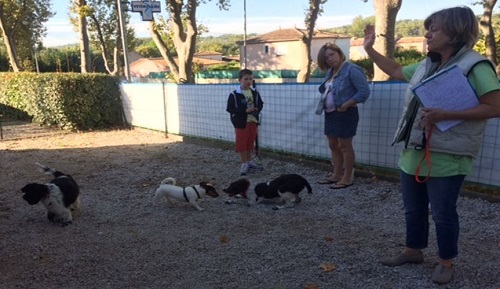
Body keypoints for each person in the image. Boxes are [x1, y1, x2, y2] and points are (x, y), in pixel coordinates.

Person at [363, 6, 500, 284]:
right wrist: (369, 50)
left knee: (443, 213)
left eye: (434, 29)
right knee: (413, 209)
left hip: (449, 155)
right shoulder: (427, 64)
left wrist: (449, 114)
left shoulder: (476, 65)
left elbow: (495, 106)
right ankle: (413, 250)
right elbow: (397, 69)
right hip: (413, 151)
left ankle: (446, 262)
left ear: (455, 31)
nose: (427, 34)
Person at [316, 43, 370, 189]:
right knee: (333, 145)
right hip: (330, 113)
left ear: (339, 53)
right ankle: (336, 174)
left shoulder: (352, 70)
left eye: (332, 54)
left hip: (345, 113)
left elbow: (364, 91)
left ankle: (347, 177)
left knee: (344, 146)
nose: (330, 59)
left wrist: (346, 104)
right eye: (326, 57)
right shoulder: (331, 72)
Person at [226, 69, 264, 175]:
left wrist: (256, 110)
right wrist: (245, 110)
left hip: (253, 121)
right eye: (246, 79)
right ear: (240, 80)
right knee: (242, 144)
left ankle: (249, 161)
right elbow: (230, 108)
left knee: (250, 143)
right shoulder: (234, 94)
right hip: (241, 123)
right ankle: (244, 163)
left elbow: (260, 104)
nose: (248, 81)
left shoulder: (255, 93)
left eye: (251, 79)